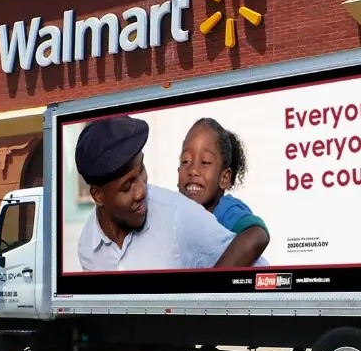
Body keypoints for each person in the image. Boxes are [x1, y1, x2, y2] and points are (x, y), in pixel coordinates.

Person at [73, 115, 265, 272]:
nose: (141, 191)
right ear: (98, 196)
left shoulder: (179, 215)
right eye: (127, 186)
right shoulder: (87, 248)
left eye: (141, 171)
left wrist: (207, 297)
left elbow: (259, 263)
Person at [177, 117, 270, 266]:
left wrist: (215, 283)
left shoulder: (225, 210)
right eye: (185, 161)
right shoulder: (176, 213)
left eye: (205, 162)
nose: (193, 170)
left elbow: (257, 235)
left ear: (224, 178)